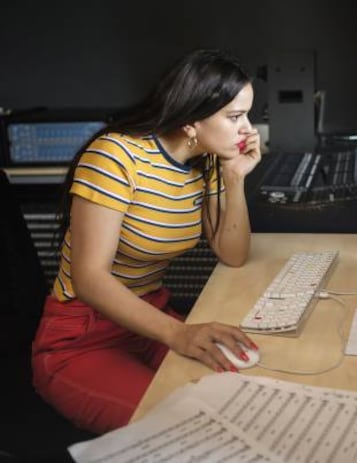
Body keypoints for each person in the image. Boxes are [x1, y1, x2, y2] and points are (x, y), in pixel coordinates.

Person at [31, 48, 261, 434]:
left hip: (149, 321)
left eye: (249, 115)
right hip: (83, 339)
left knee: (246, 402)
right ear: (191, 120)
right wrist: (179, 334)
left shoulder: (205, 161)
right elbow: (89, 279)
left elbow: (232, 255)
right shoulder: (115, 157)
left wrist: (235, 177)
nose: (248, 129)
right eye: (235, 117)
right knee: (189, 429)